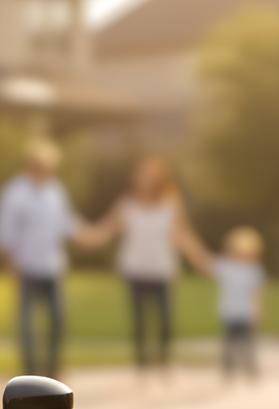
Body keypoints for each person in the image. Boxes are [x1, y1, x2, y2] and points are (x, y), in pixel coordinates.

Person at [82, 156, 211, 371]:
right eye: (142, 177)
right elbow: (106, 230)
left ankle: (162, 363)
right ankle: (142, 367)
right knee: (140, 322)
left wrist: (201, 260)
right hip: (135, 270)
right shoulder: (126, 205)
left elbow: (183, 235)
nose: (146, 182)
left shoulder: (171, 206)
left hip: (162, 270)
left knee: (165, 321)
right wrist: (81, 235)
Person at [0, 139, 82, 375]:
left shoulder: (56, 191)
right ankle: (30, 370)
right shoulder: (14, 193)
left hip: (53, 266)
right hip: (27, 266)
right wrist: (10, 264)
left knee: (58, 321)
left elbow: (67, 223)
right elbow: (6, 230)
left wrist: (93, 234)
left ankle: (53, 369)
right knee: (27, 325)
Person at [213, 226, 266, 379]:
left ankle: (250, 368)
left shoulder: (255, 270)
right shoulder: (226, 267)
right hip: (229, 312)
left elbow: (257, 294)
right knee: (229, 343)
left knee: (247, 343)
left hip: (246, 313)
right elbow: (205, 264)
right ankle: (228, 370)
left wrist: (258, 311)